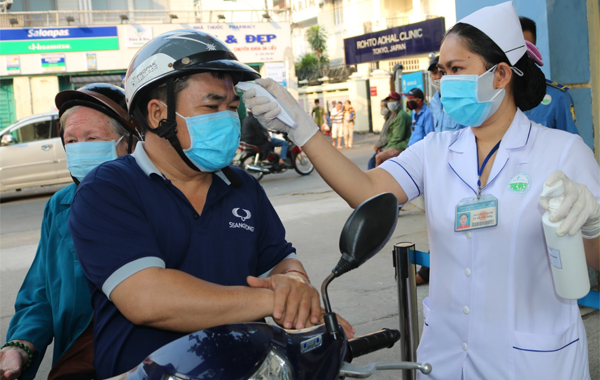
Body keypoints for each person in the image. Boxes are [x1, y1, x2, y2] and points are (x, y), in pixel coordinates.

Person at [242, 2, 599, 379]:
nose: (445, 82)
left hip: (532, 362)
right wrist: (303, 131)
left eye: (457, 69)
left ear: (501, 75)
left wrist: (593, 224)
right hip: (445, 358)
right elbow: (366, 190)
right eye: (443, 72)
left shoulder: (561, 152)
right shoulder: (436, 150)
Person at [67, 30, 353, 378]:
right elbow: (148, 298)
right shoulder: (108, 189)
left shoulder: (241, 185)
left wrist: (296, 289)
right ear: (158, 113)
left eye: (232, 107)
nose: (228, 118)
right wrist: (273, 300)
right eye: (211, 106)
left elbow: (278, 260)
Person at [0, 84, 140, 380]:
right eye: (72, 140)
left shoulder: (158, 198)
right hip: (80, 361)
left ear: (128, 142)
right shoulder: (60, 204)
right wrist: (20, 346)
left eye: (93, 138)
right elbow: (40, 293)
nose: (80, 148)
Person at [519, 16, 579, 135]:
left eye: (527, 51)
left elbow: (572, 145)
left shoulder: (557, 97)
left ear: (536, 53)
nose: (520, 58)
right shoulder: (494, 96)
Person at [428, 55, 466, 133]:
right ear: (430, 76)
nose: (438, 76)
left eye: (441, 72)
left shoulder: (460, 99)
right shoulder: (433, 102)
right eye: (434, 73)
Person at [374, 92, 412, 167]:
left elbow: (397, 137)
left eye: (393, 101)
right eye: (389, 101)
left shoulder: (401, 115)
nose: (390, 103)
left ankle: (376, 178)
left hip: (400, 145)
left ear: (399, 102)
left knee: (379, 157)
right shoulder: (393, 114)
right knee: (375, 161)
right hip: (393, 144)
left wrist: (385, 149)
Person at [368, 99, 393, 170]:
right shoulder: (387, 118)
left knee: (372, 162)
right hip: (384, 146)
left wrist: (378, 146)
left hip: (387, 146)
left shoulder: (391, 119)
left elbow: (387, 137)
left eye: (383, 107)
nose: (381, 109)